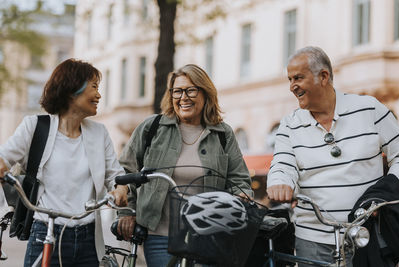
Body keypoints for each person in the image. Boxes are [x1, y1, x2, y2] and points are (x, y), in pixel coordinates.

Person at [266, 46, 399, 267]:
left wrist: (387, 189)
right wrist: (280, 182)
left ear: (323, 76)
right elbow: (282, 163)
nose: (292, 87)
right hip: (312, 239)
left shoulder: (369, 109)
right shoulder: (289, 124)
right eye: (289, 79)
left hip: (366, 234)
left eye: (298, 78)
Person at [117, 64, 253, 267]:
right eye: (177, 91)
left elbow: (239, 180)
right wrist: (127, 212)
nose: (183, 97)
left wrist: (241, 195)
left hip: (209, 235)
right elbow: (126, 171)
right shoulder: (152, 128)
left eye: (190, 90)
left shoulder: (222, 134)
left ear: (205, 93)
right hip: (160, 236)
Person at [0, 58, 129, 267]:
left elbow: (115, 176)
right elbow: (3, 158)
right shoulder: (35, 127)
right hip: (46, 232)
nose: (99, 95)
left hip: (88, 237)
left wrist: (121, 189)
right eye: (94, 87)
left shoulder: (99, 133)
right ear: (72, 89)